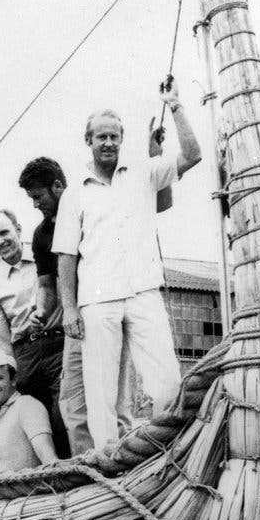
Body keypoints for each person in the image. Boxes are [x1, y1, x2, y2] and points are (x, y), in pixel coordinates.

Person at [54, 75, 202, 450]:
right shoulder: (74, 195)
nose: (108, 143)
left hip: (142, 290)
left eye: (114, 136)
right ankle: (108, 460)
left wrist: (176, 106)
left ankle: (171, 449)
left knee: (167, 381)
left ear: (122, 139)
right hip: (97, 300)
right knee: (100, 391)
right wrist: (69, 308)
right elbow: (66, 256)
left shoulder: (144, 173)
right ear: (88, 141)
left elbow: (192, 155)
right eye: (100, 136)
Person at [17, 156, 135, 454]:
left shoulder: (93, 212)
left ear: (58, 186)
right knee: (72, 400)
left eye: (38, 197)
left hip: (107, 313)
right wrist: (40, 310)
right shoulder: (42, 234)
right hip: (75, 324)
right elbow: (46, 285)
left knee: (113, 397)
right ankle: (88, 465)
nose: (35, 204)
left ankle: (122, 461)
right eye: (30, 198)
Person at [0, 209, 70, 458]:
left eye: (4, 233)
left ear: (18, 230)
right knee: (34, 421)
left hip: (58, 344)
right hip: (25, 356)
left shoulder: (45, 257)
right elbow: (3, 340)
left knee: (63, 415)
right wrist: (11, 377)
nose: (0, 242)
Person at [0, 350, 58, 474]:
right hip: (1, 490)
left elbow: (50, 461)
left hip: (32, 489)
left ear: (14, 380)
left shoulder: (27, 405)